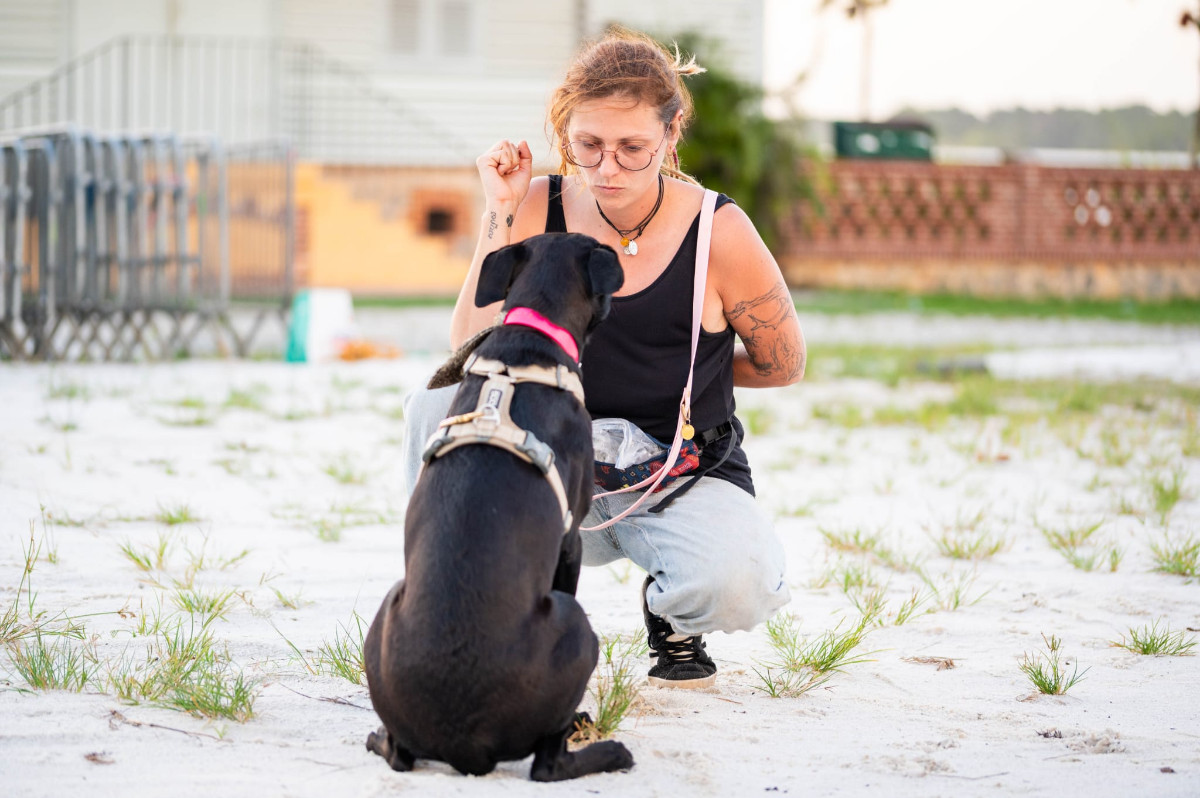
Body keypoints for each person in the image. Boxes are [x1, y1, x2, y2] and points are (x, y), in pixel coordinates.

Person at [403, 28, 806, 689]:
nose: (608, 167)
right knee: (436, 404)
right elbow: (468, 345)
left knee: (740, 586)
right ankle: (465, 592)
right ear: (567, 137)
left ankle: (670, 612)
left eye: (632, 148)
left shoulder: (718, 232)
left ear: (671, 136)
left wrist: (692, 371)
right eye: (588, 145)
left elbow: (782, 361)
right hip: (554, 468)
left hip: (676, 472)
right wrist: (500, 212)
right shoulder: (538, 204)